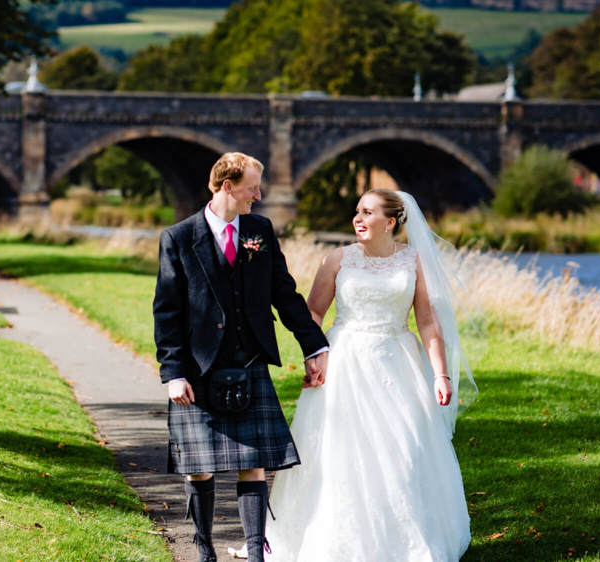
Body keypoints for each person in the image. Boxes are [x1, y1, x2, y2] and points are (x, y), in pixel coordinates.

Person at [264, 188, 478, 562]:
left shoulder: (413, 262)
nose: (357, 219)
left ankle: (405, 542)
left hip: (398, 362)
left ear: (391, 222)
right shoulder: (337, 259)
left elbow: (427, 322)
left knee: (404, 449)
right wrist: (314, 356)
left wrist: (441, 374)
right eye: (356, 212)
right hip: (345, 360)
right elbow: (313, 314)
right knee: (340, 451)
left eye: (367, 212)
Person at [153, 152, 330, 562]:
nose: (259, 194)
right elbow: (167, 312)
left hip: (249, 361)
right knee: (200, 466)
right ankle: (204, 549)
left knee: (253, 462)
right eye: (253, 187)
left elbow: (284, 293)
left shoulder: (259, 230)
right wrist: (173, 372)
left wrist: (313, 345)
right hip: (198, 368)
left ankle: (255, 553)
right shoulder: (179, 237)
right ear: (228, 186)